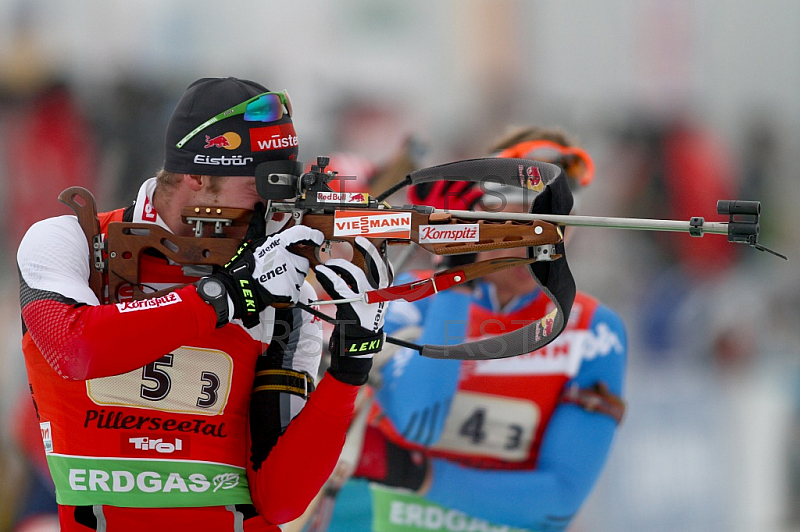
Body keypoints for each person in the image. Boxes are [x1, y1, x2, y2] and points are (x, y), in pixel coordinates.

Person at [17, 77, 389, 532]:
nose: (273, 211)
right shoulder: (71, 240)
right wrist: (228, 296)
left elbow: (282, 501)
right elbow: (74, 350)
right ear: (197, 176)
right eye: (262, 187)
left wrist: (351, 366)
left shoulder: (281, 291)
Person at [326, 126, 627, 531]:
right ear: (478, 218)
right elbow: (418, 420)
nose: (535, 247)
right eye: (515, 225)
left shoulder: (592, 331)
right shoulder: (408, 299)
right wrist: (456, 275)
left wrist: (415, 475)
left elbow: (558, 501)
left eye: (555, 226)